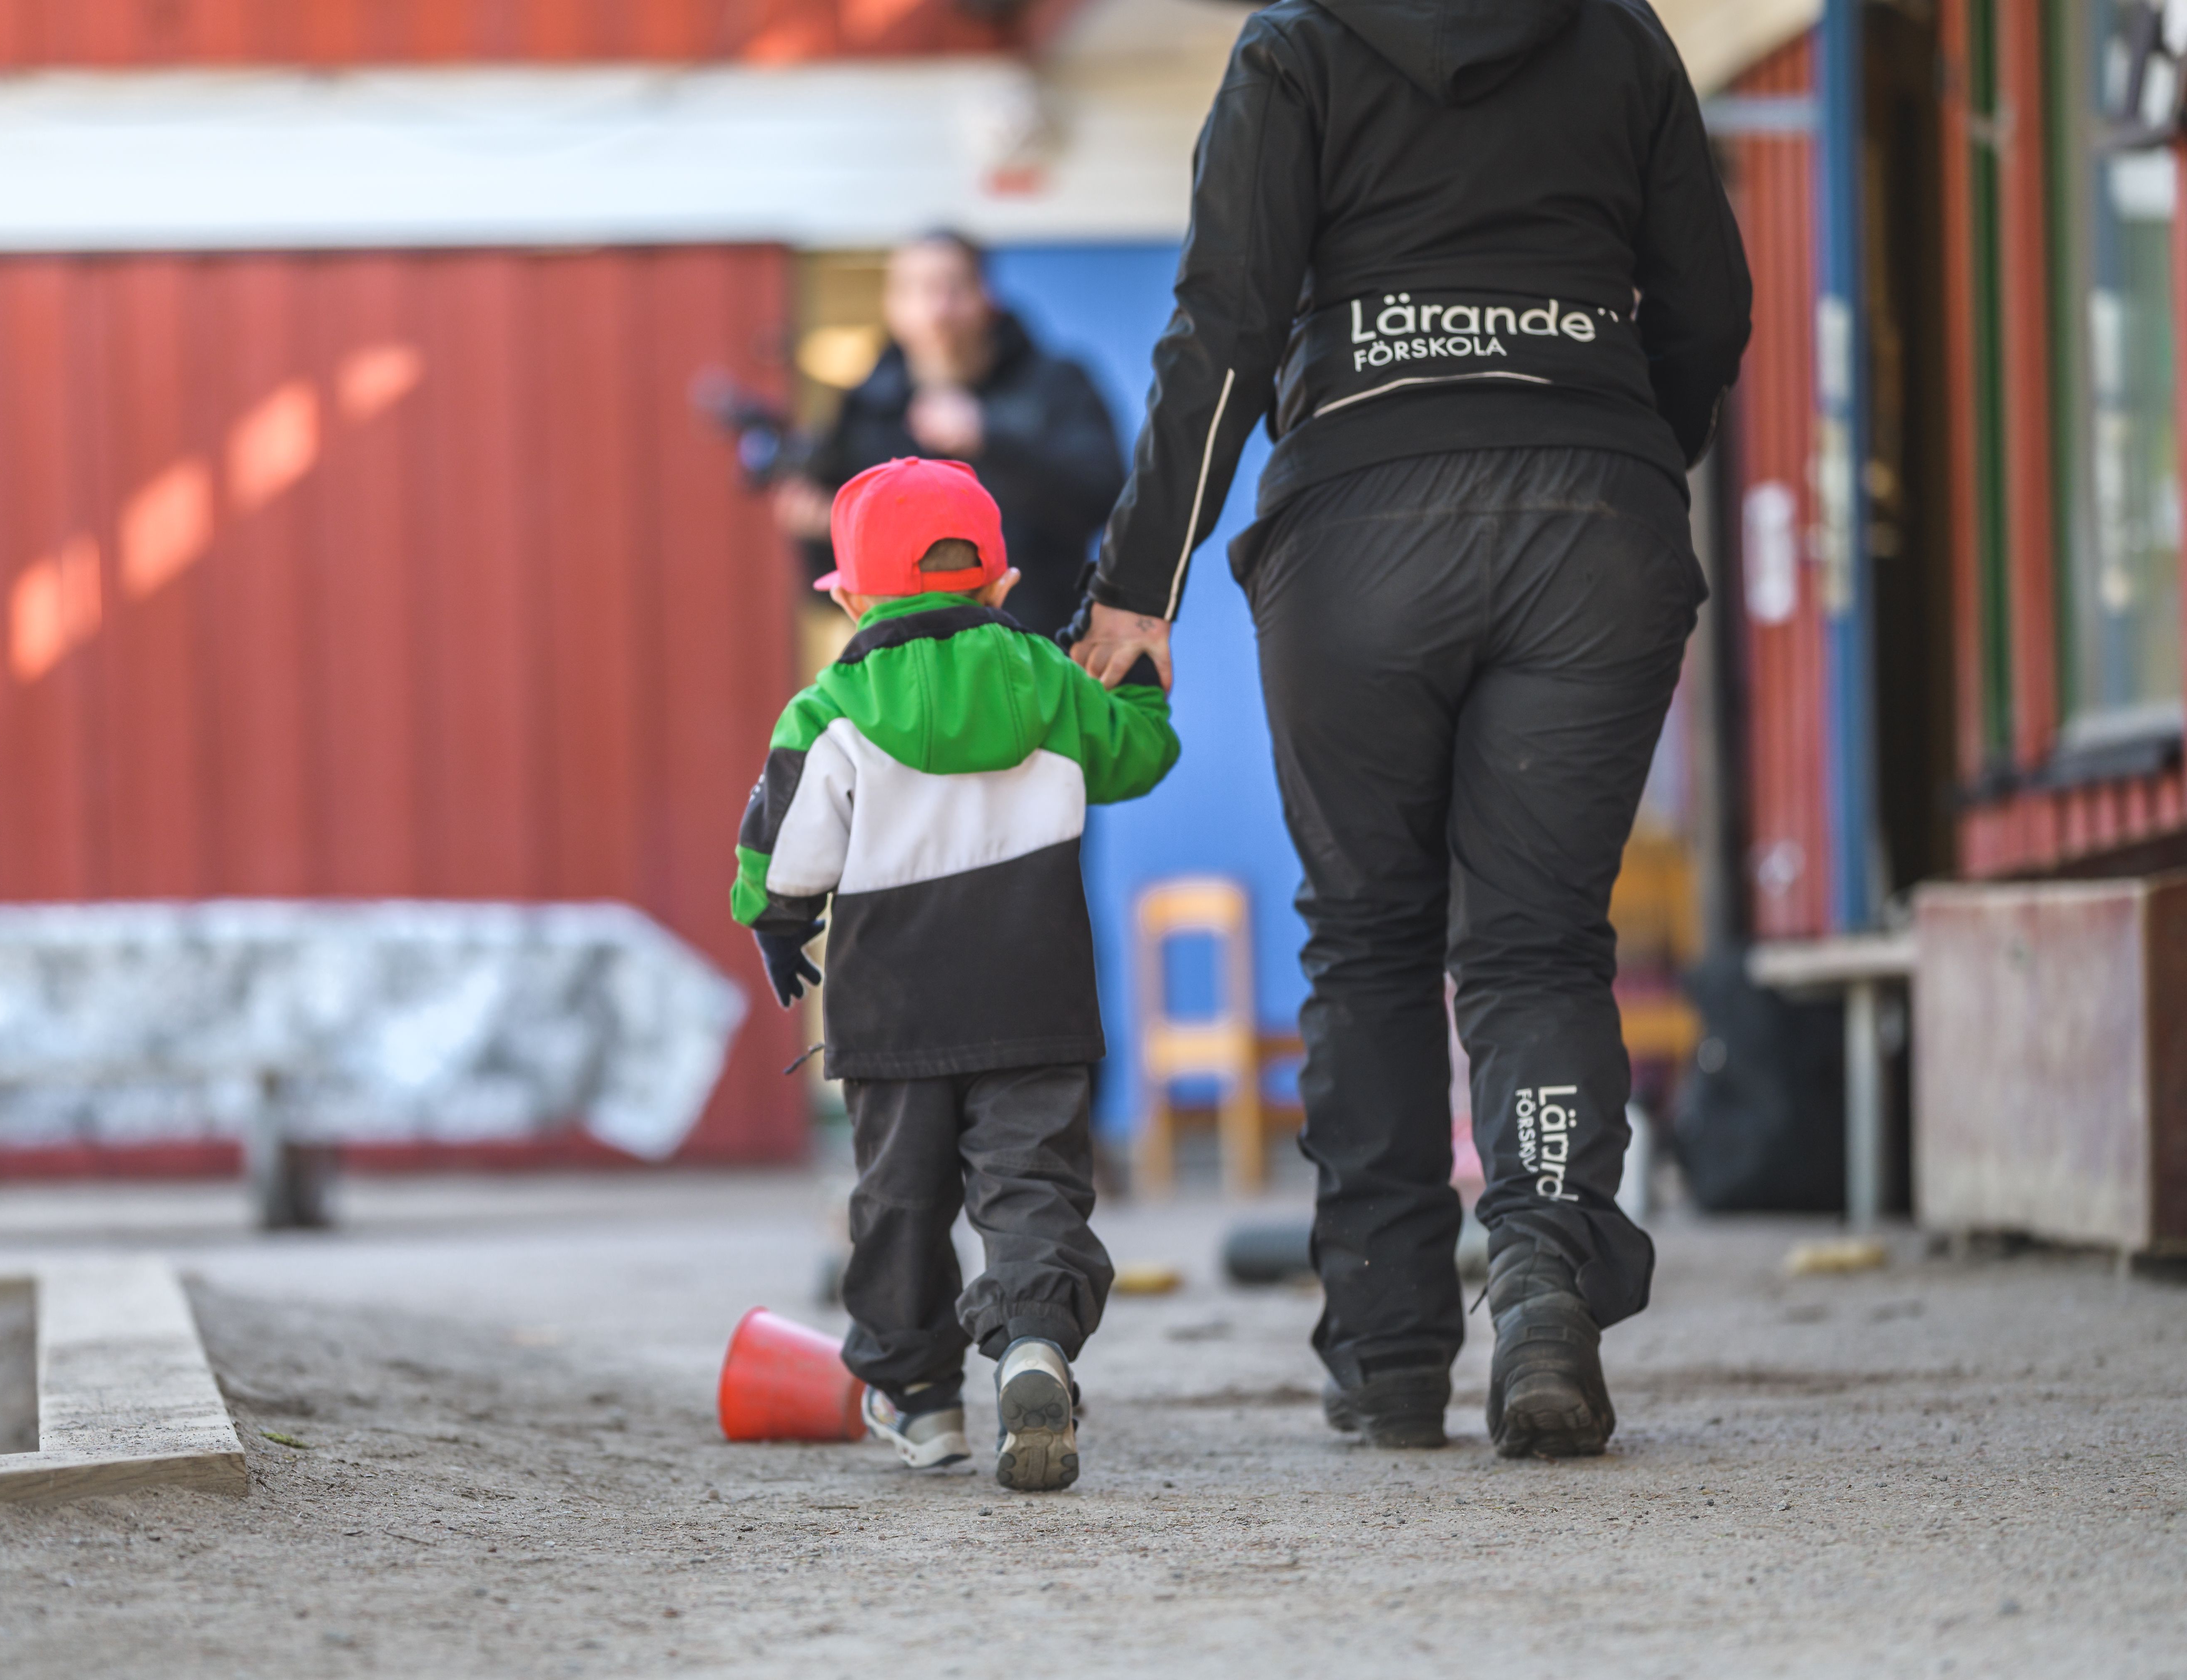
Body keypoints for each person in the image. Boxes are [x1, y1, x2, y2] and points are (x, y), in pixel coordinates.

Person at [1069, 0, 1751, 1458]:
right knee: (1538, 941)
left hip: (1358, 527)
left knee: (1368, 937)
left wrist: (1137, 583)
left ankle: (1385, 1357)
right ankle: (1544, 1279)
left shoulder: (1295, 46)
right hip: (1593, 521)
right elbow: (1707, 303)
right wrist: (1625, 446)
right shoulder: (1617, 37)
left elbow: (1226, 321)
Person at [732, 457, 1180, 1491]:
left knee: (898, 1200)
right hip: (1037, 999)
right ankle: (1034, 1342)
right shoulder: (1052, 683)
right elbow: (1139, 758)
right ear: (1002, 588)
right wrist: (1145, 680)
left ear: (847, 596)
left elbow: (783, 852)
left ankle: (921, 1397)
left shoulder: (829, 707)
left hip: (897, 1012)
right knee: (1034, 1188)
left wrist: (775, 920)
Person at [774, 233, 1126, 639]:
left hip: (1040, 649)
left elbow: (1104, 500)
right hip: (915, 664)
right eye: (918, 290)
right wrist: (815, 537)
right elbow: (831, 592)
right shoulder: (866, 409)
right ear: (893, 306)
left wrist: (989, 441)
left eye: (954, 288)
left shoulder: (1054, 383)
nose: (937, 310)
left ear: (986, 297)